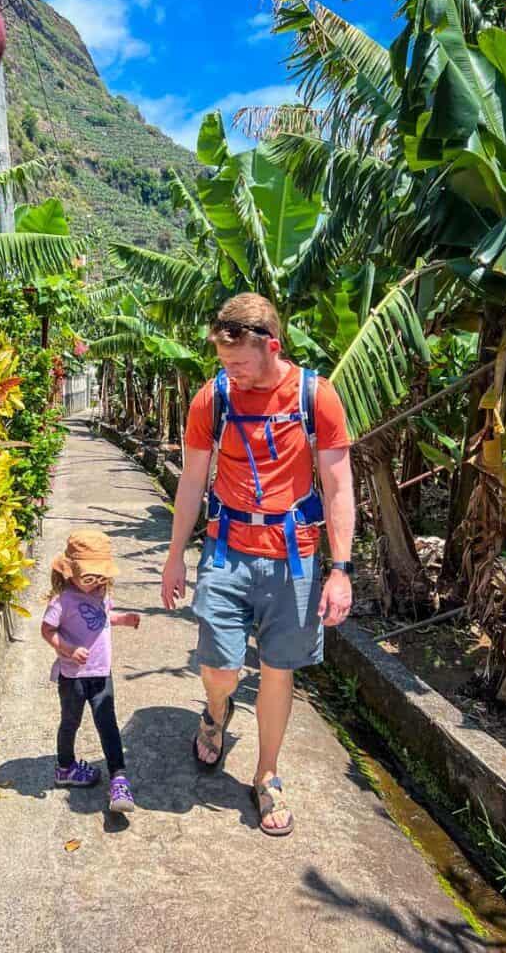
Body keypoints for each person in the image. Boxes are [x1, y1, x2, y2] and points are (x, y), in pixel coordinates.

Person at [161, 293, 354, 836]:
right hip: (225, 551)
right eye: (224, 363)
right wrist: (175, 555)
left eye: (240, 362)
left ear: (271, 345)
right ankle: (215, 710)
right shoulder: (213, 398)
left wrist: (341, 569)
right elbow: (193, 480)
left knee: (277, 668)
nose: (232, 373)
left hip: (294, 559)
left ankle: (266, 776)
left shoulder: (316, 396)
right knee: (221, 666)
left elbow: (339, 486)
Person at [42, 529, 140, 813]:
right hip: (73, 676)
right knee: (70, 722)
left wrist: (123, 619)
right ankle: (65, 766)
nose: (97, 583)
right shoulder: (62, 600)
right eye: (89, 577)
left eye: (101, 577)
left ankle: (119, 778)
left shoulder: (100, 594)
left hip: (101, 673)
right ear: (71, 572)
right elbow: (47, 630)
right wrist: (68, 650)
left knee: (107, 723)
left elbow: (104, 616)